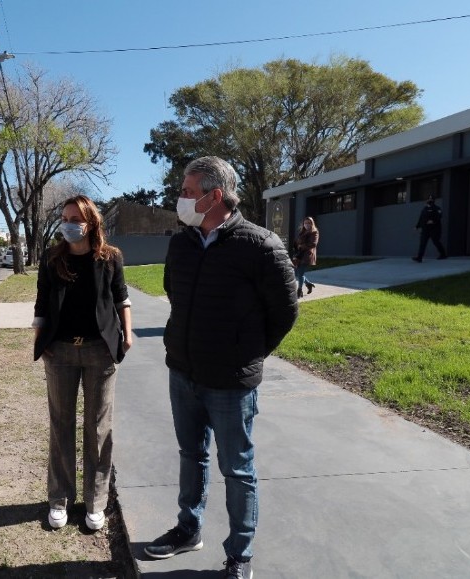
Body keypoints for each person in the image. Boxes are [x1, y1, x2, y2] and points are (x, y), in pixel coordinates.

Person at [144, 156, 298, 578]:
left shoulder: (261, 245)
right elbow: (175, 295)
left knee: (237, 468)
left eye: (188, 192)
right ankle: (188, 529)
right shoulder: (182, 243)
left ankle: (239, 554)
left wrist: (246, 354)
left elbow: (284, 313)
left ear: (215, 196)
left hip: (231, 382)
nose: (180, 199)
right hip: (183, 373)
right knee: (191, 456)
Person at [33, 195, 132, 533]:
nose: (68, 223)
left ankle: (96, 501)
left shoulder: (110, 258)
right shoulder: (52, 258)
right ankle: (59, 499)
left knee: (99, 429)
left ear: (91, 223)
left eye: (75, 217)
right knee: (61, 425)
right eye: (64, 217)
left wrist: (127, 335)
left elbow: (122, 299)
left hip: (99, 351)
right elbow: (42, 302)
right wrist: (38, 337)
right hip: (59, 351)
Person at [412, 194, 447, 262]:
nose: (430, 200)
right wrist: (417, 226)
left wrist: (433, 221)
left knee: (436, 242)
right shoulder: (424, 209)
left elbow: (439, 216)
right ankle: (419, 258)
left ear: (434, 200)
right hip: (425, 229)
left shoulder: (437, 208)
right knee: (422, 243)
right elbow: (421, 218)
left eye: (431, 198)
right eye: (429, 198)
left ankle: (443, 254)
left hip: (434, 229)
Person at [293, 216, 320, 298]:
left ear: (312, 223)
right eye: (305, 223)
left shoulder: (314, 232)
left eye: (309, 223)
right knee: (297, 273)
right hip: (299, 255)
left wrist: (301, 246)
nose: (307, 224)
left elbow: (313, 244)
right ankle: (308, 284)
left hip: (307, 255)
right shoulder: (302, 232)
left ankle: (299, 291)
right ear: (303, 224)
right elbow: (297, 242)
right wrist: (296, 245)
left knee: (300, 274)